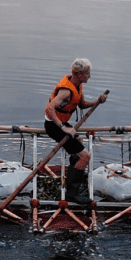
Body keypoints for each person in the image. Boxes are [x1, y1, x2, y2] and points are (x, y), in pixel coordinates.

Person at [44, 58, 107, 203]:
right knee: (85, 156)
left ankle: (75, 172)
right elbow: (49, 108)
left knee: (79, 140)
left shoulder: (77, 85)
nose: (89, 76)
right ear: (79, 74)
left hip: (60, 123)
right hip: (54, 126)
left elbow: (82, 104)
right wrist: (63, 127)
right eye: (87, 73)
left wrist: (97, 101)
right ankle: (72, 194)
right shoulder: (66, 91)